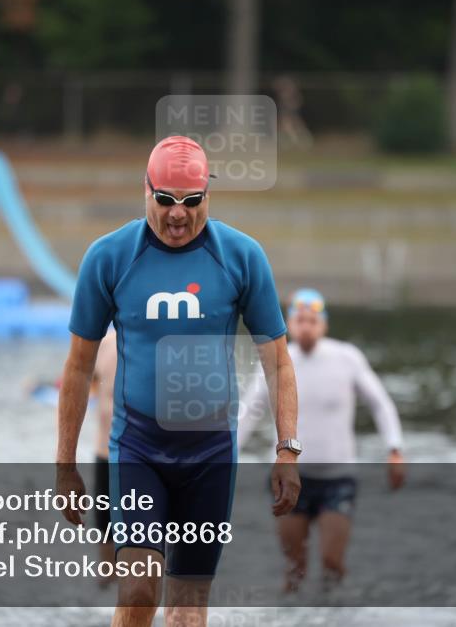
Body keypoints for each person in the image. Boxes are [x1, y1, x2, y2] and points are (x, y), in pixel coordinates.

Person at [55, 135, 301, 627]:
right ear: (145, 191)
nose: (177, 215)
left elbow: (277, 361)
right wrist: (65, 464)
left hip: (210, 454)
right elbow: (79, 367)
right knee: (140, 590)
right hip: (140, 447)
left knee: (187, 611)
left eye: (192, 202)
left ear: (209, 195)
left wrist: (287, 449)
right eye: (165, 200)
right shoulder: (109, 257)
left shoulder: (242, 257)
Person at [238, 288, 405, 593]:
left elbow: (381, 404)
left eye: (312, 320)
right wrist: (225, 456)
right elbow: (248, 412)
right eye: (299, 319)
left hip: (337, 479)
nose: (306, 326)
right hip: (290, 480)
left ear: (323, 324)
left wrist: (394, 449)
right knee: (294, 571)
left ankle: (332, 615)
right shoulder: (275, 362)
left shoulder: (347, 358)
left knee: (332, 563)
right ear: (289, 324)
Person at [92, 329, 118, 586]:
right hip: (106, 446)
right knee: (104, 514)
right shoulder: (105, 343)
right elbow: (86, 378)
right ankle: (107, 571)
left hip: (144, 449)